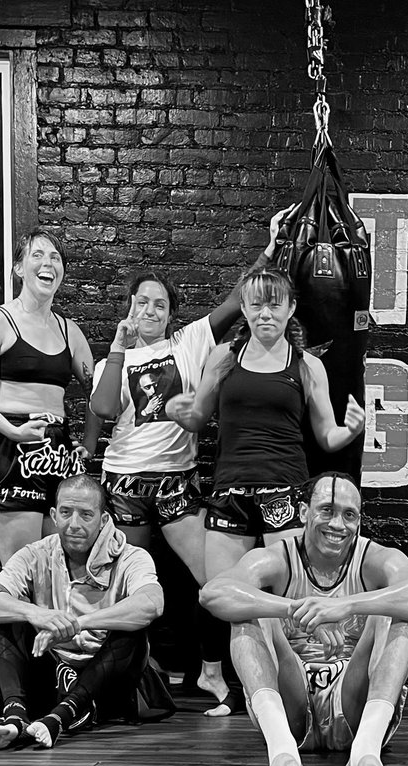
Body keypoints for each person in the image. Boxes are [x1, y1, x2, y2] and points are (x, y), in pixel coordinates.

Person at [169, 265, 367, 716]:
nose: (264, 313)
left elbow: (326, 437)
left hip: (283, 491)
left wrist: (351, 430)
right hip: (230, 490)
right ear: (244, 307)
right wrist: (181, 411)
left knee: (291, 594)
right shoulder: (223, 357)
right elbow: (199, 418)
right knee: (222, 593)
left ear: (290, 308)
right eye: (255, 303)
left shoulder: (307, 365)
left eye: (274, 303)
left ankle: (298, 687)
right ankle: (236, 687)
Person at [199, 472, 408, 766]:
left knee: (395, 610)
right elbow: (214, 594)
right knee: (249, 613)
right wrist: (296, 609)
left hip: (352, 700)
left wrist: (345, 607)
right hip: (292, 703)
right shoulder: (279, 557)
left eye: (349, 515)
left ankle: (365, 753)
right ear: (303, 513)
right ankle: (282, 752)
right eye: (326, 510)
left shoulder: (373, 557)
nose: (338, 525)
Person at [88, 270, 247, 704]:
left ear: (171, 314)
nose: (150, 311)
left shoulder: (189, 343)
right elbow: (103, 408)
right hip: (124, 482)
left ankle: (211, 672)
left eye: (160, 304)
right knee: (126, 584)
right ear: (130, 307)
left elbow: (236, 299)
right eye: (142, 302)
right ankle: (133, 672)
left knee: (213, 579)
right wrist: (119, 347)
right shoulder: (112, 361)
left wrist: (273, 247)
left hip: (177, 479)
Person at [0, 475, 164, 749]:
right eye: (66, 513)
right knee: (8, 615)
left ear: (102, 518)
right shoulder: (35, 554)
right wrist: (34, 613)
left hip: (107, 675)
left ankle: (60, 717)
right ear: (53, 515)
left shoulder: (131, 556)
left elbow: (152, 603)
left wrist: (78, 623)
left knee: (132, 628)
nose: (74, 524)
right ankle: (14, 717)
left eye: (86, 515)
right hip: (50, 669)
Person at [0, 227, 97, 562]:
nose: (48, 263)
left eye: (55, 257)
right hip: (10, 447)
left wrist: (89, 444)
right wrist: (12, 430)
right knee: (25, 572)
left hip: (57, 453)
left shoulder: (69, 331)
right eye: (38, 254)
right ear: (19, 268)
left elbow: (96, 394)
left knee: (59, 570)